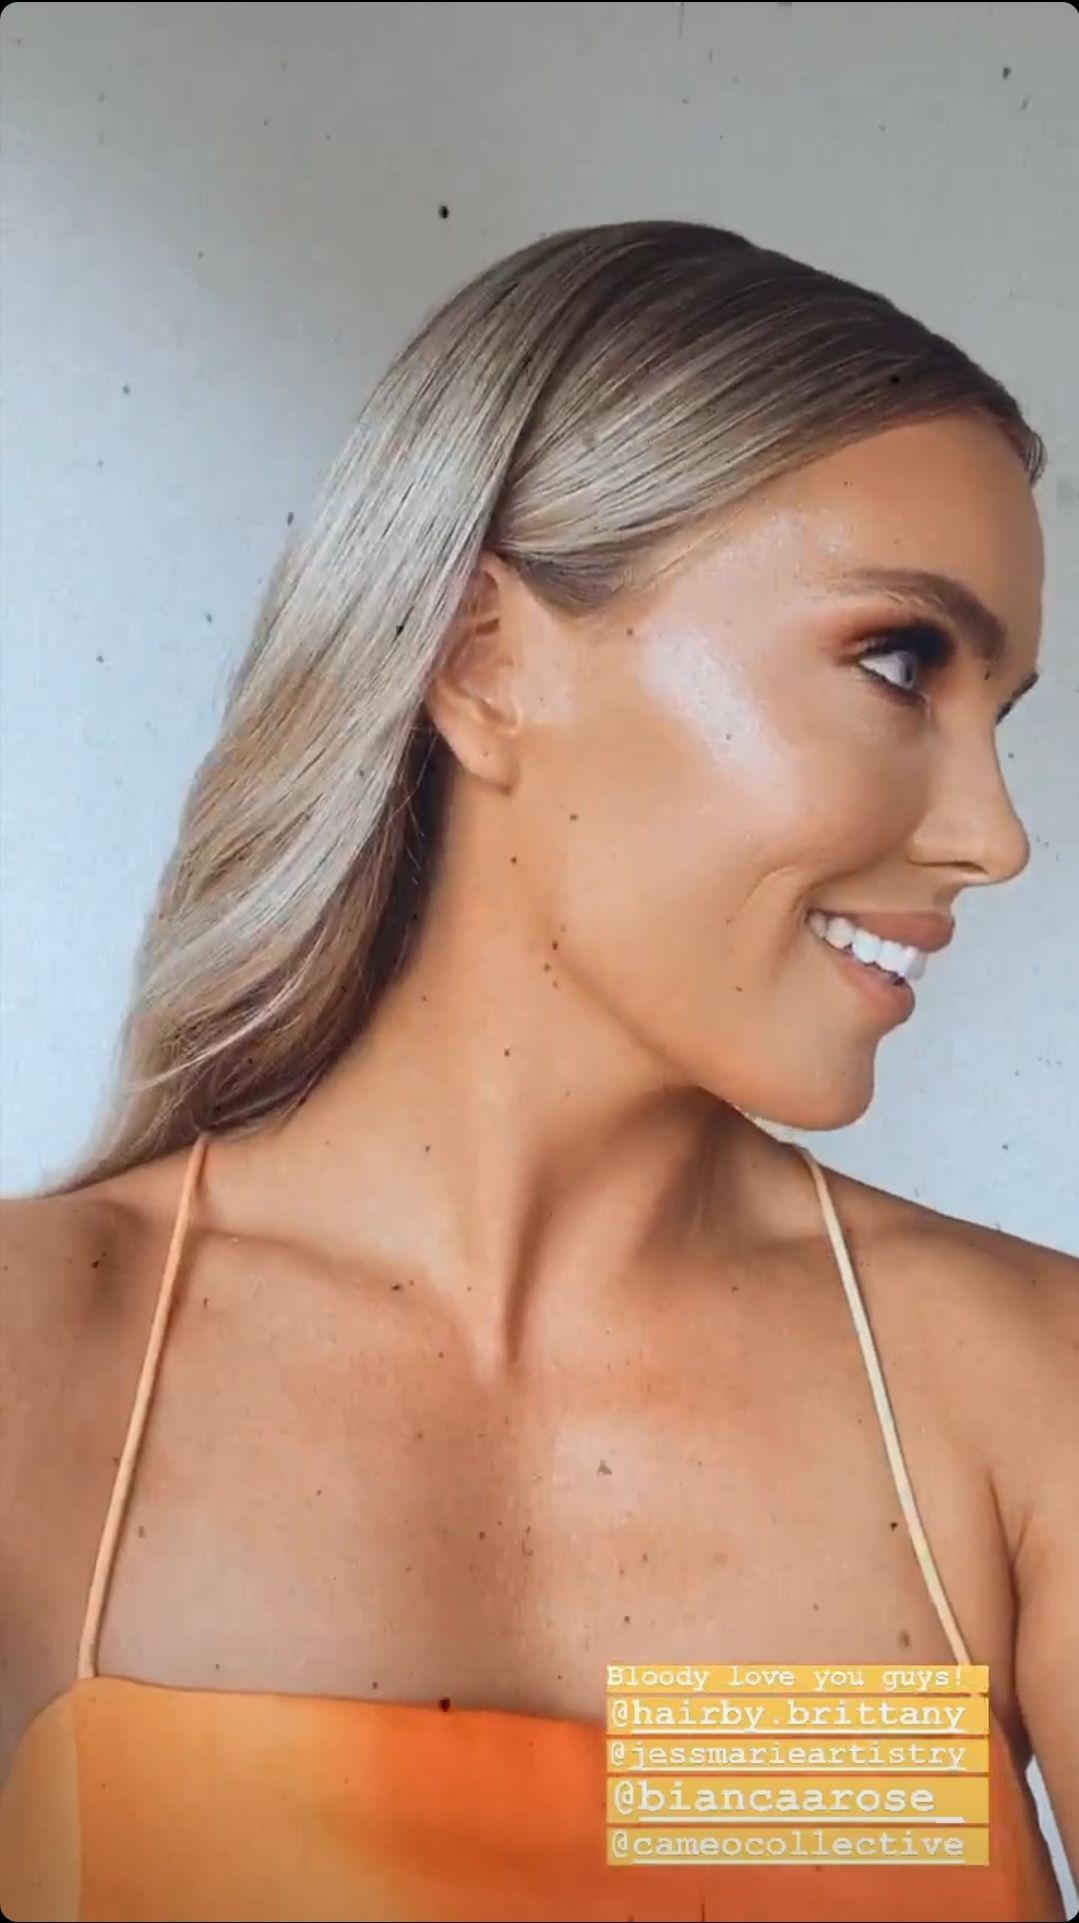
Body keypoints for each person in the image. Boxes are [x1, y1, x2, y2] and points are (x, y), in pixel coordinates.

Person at [0, 219, 1075, 1923]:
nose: (995, 837)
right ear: (482, 661)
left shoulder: (1032, 1393)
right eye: (899, 661)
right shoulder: (32, 1359)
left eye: (997, 713)